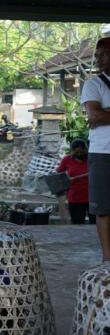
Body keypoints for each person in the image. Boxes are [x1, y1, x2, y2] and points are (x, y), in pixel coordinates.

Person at [81, 37, 110, 261]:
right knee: (103, 208)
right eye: (97, 55)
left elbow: (101, 116)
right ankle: (107, 260)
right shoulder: (94, 84)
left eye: (104, 54)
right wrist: (101, 114)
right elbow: (94, 115)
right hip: (103, 153)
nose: (99, 59)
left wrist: (105, 113)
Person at [56, 138, 94, 225]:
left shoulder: (92, 158)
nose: (79, 154)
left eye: (82, 152)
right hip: (75, 197)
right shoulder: (67, 159)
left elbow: (97, 172)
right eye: (76, 152)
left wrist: (75, 178)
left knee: (95, 223)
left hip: (92, 196)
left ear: (86, 149)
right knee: (77, 223)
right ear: (72, 151)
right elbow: (58, 173)